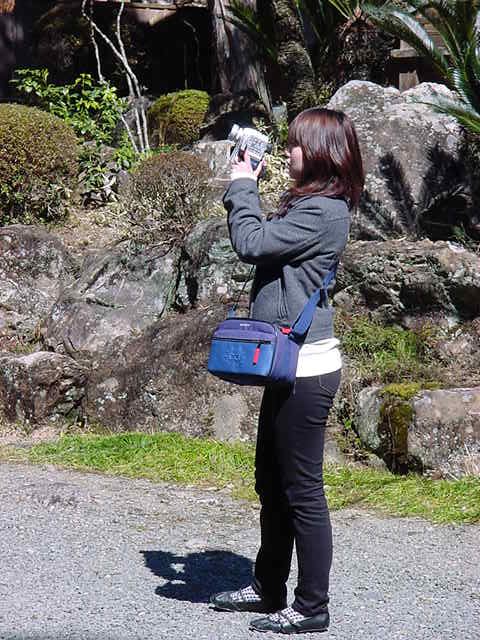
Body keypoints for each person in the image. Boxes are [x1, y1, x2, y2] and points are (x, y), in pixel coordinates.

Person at [209, 108, 364, 635]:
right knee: (271, 481)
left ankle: (311, 607)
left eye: (297, 144)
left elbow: (251, 243)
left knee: (302, 491)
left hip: (308, 368)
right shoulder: (311, 204)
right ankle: (268, 586)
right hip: (287, 363)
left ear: (320, 153)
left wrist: (241, 182)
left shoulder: (323, 212)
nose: (289, 152)